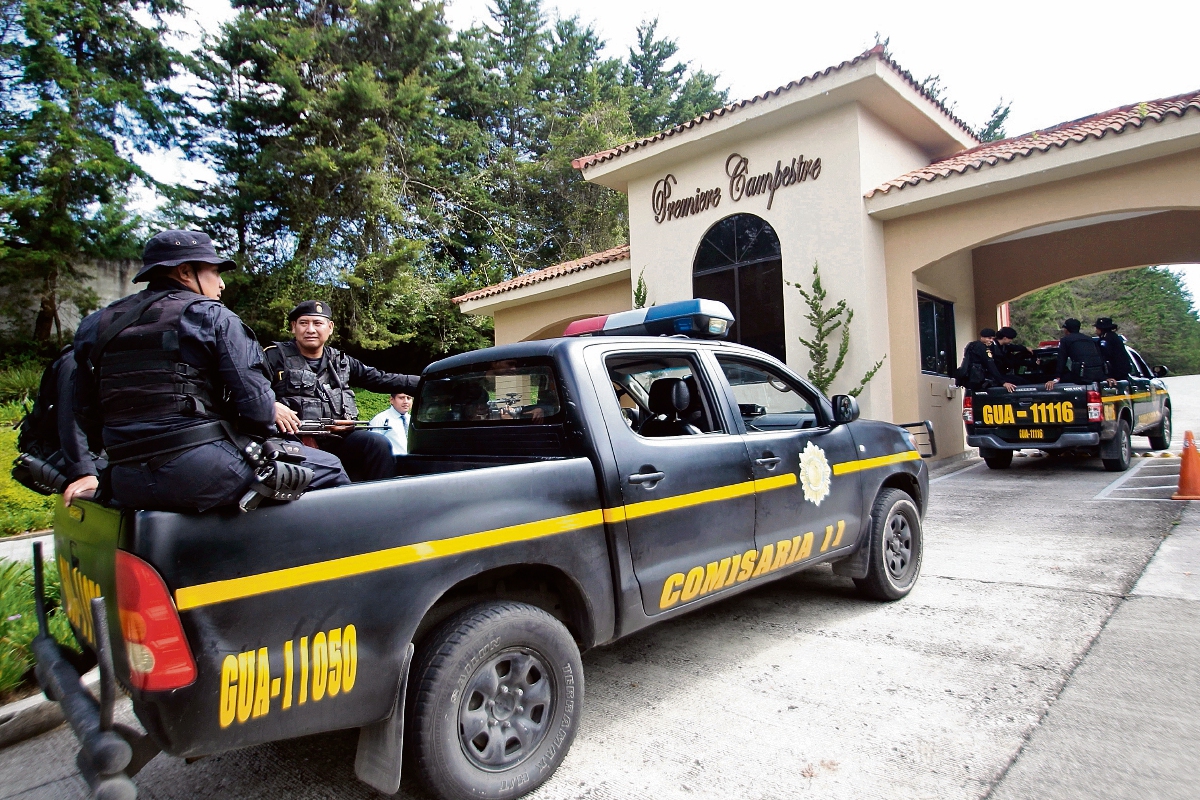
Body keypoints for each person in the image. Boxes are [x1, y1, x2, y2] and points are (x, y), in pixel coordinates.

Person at [74, 230, 349, 513]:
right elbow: (256, 408)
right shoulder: (214, 316)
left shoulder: (96, 324)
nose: (221, 284)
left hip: (124, 478)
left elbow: (85, 413)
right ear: (184, 271)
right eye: (215, 272)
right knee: (329, 467)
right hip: (199, 471)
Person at [266, 301, 419, 481]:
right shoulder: (273, 356)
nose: (310, 329)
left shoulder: (341, 361)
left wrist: (428, 381)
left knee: (376, 443)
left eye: (317, 323)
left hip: (337, 440)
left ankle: (381, 503)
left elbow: (381, 379)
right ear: (293, 327)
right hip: (293, 442)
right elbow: (248, 389)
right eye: (303, 323)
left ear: (330, 328)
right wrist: (270, 405)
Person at [1044, 318, 1105, 390]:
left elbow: (1062, 359)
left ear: (1066, 329)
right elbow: (1100, 357)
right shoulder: (1090, 339)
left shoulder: (1065, 340)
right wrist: (1105, 376)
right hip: (1098, 375)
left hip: (1081, 376)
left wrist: (1057, 378)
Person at [958, 328, 1016, 393]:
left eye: (992, 338)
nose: (991, 340)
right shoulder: (983, 348)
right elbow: (991, 365)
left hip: (970, 381)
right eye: (989, 338)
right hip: (979, 381)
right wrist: (1003, 382)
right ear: (982, 337)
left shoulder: (972, 345)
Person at [371, 392, 412, 456]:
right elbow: (373, 446)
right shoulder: (381, 419)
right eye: (401, 398)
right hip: (391, 462)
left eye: (409, 398)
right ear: (391, 400)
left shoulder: (412, 419)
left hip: (412, 461)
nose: (406, 401)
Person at [1095, 317, 1132, 386]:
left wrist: (1106, 375)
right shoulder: (1115, 337)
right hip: (1121, 374)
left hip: (1115, 375)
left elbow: (1105, 357)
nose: (1096, 330)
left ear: (1101, 329)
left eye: (1097, 328)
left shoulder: (1106, 340)